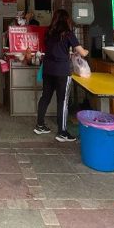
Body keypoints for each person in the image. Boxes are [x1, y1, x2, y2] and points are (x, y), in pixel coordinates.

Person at [34, 9, 88, 142]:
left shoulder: (48, 32)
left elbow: (54, 49)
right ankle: (62, 132)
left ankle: (40, 125)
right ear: (66, 20)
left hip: (48, 69)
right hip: (62, 72)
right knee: (62, 101)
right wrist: (85, 51)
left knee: (45, 97)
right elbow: (82, 52)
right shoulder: (68, 34)